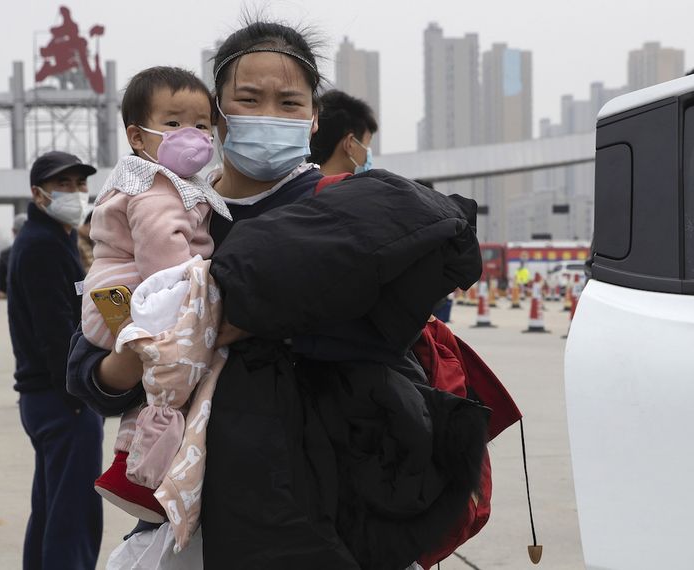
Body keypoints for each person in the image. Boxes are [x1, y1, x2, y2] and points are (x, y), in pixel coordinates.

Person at [68, 20, 486, 570]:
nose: (268, 115)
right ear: (217, 115)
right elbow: (90, 361)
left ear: (313, 118)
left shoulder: (348, 214)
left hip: (322, 511)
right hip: (184, 518)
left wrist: (248, 320)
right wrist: (139, 353)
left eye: (289, 102)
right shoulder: (161, 210)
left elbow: (384, 337)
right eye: (248, 99)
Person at [83, 66, 230, 529]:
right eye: (173, 123)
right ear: (138, 136)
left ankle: (138, 464)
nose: (192, 135)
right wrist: (200, 300)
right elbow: (164, 256)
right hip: (145, 298)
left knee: (154, 391)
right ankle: (143, 474)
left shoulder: (164, 184)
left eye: (202, 124)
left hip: (123, 301)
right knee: (171, 384)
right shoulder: (155, 188)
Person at [7, 150, 103, 570]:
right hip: (63, 399)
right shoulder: (42, 246)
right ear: (38, 194)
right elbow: (55, 334)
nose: (75, 192)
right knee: (73, 515)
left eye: (80, 184)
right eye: (63, 184)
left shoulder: (56, 238)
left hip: (48, 399)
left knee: (52, 507)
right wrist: (81, 390)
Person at [308, 89, 378, 176]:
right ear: (350, 144)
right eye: (367, 145)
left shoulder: (298, 186)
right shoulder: (358, 189)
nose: (368, 155)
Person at [0, 213, 27, 297]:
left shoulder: (6, 255)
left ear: (13, 231)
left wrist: (10, 291)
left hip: (17, 302)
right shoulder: (43, 251)